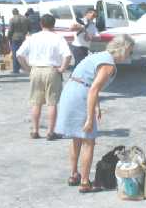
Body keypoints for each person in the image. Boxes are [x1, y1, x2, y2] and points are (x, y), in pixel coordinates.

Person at [55, 34, 134, 193]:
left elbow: (89, 81)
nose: (130, 55)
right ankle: (84, 182)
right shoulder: (108, 65)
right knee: (88, 140)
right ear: (123, 49)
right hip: (81, 95)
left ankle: (74, 174)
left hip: (70, 90)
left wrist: (96, 106)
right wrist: (90, 118)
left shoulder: (100, 56)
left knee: (76, 138)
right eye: (130, 51)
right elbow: (93, 89)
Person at [16, 14, 72, 140]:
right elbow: (67, 55)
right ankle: (50, 132)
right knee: (52, 103)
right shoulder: (58, 38)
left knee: (36, 103)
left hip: (36, 70)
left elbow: (19, 54)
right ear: (54, 24)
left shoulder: (33, 37)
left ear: (41, 24)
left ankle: (35, 131)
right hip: (52, 70)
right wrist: (62, 68)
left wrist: (27, 69)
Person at [8, 8, 30, 74]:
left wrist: (8, 37)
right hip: (23, 37)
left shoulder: (12, 19)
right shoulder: (25, 19)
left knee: (15, 53)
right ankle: (23, 68)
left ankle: (15, 69)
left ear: (13, 13)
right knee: (22, 53)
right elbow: (29, 28)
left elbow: (10, 30)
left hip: (15, 38)